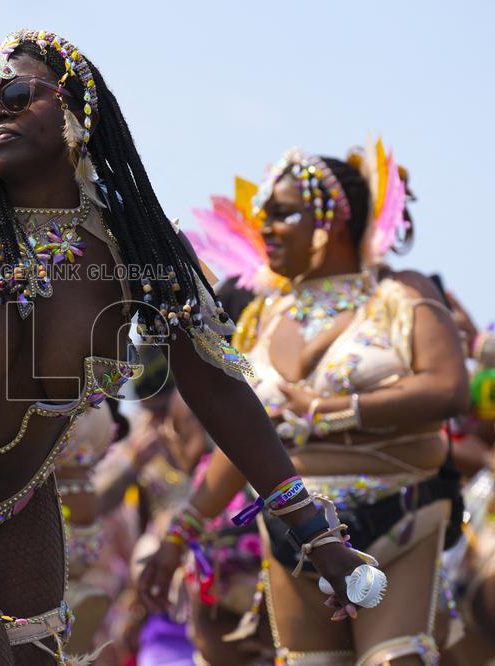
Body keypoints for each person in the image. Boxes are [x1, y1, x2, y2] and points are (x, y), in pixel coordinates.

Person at [0, 30, 371, 664]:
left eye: (16, 92)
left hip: (18, 503)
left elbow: (218, 388)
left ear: (78, 108)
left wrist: (316, 534)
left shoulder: (136, 246)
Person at [139, 144, 469, 665]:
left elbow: (449, 389)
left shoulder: (398, 293)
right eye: (262, 218)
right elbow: (247, 436)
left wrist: (329, 410)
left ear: (332, 220)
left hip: (400, 518)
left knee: (395, 659)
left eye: (283, 215)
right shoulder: (261, 316)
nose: (265, 229)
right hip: (296, 530)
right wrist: (182, 532)